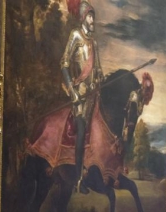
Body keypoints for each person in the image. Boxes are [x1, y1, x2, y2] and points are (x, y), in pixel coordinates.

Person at [62, 0, 104, 194]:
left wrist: (100, 80)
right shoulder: (75, 36)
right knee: (80, 130)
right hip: (79, 96)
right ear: (83, 17)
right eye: (89, 16)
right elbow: (64, 64)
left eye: (93, 16)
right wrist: (73, 90)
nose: (92, 19)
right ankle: (78, 179)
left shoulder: (94, 42)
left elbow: (99, 71)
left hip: (93, 97)